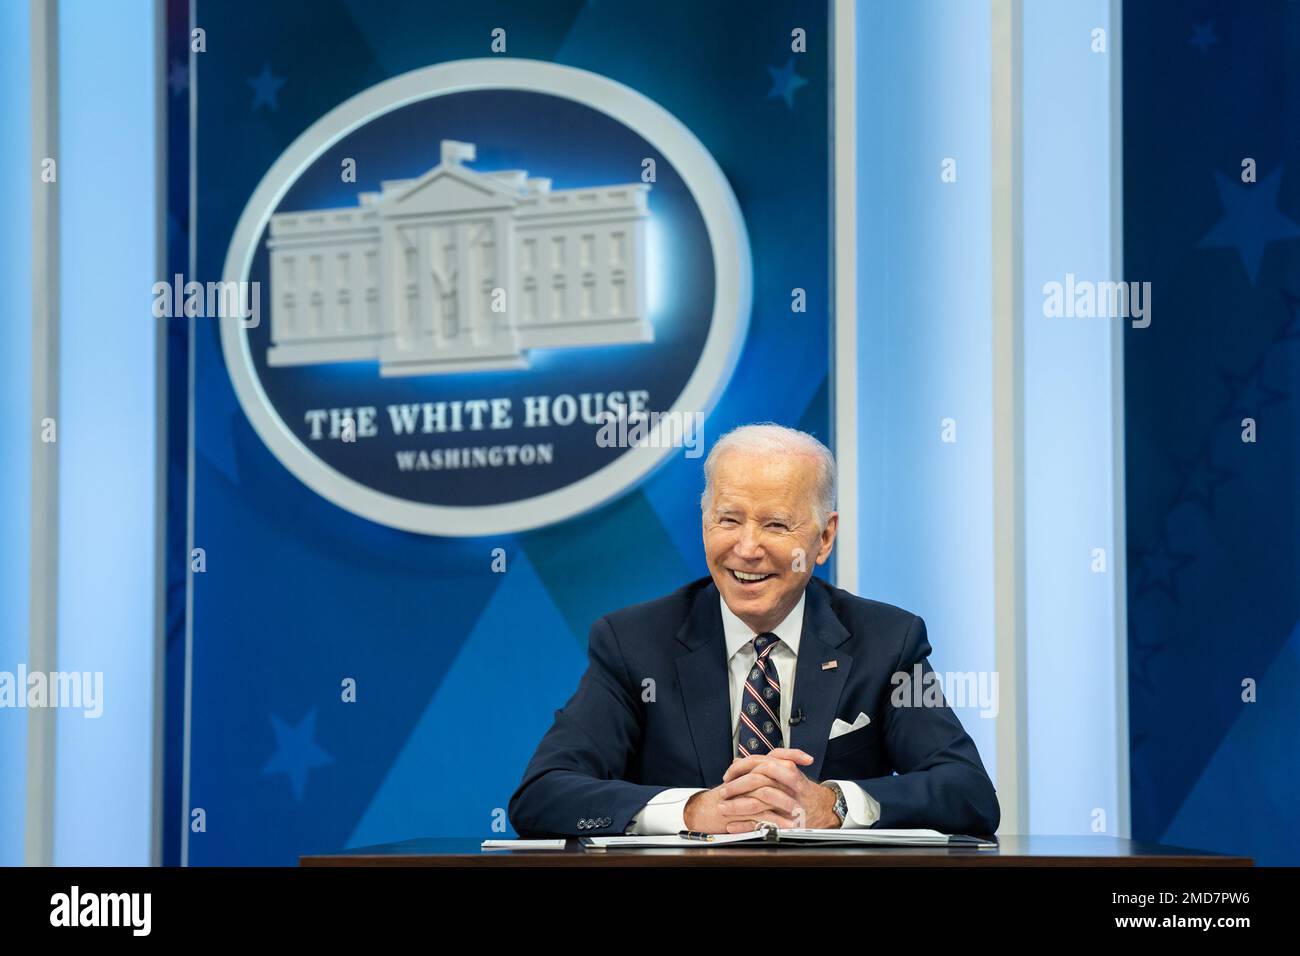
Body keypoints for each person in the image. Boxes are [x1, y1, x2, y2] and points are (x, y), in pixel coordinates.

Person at [509, 423, 1000, 836]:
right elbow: (542, 794)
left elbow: (968, 792)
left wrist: (832, 804)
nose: (746, 548)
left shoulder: (888, 641)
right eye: (728, 519)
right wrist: (693, 810)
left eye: (776, 525)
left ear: (824, 537)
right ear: (704, 523)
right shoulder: (632, 644)